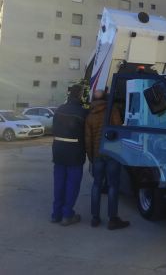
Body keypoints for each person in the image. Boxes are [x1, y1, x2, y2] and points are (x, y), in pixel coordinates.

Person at [85, 90, 130, 230]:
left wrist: (91, 156)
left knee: (97, 185)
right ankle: (112, 219)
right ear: (107, 97)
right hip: (112, 153)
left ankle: (95, 218)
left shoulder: (90, 115)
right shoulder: (113, 111)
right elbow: (119, 131)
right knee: (113, 185)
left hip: (98, 154)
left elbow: (88, 139)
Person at [51, 84, 88, 226]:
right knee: (72, 185)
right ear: (80, 95)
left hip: (58, 152)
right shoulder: (83, 112)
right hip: (75, 154)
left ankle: (56, 214)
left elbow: (54, 129)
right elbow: (87, 135)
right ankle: (67, 215)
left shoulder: (60, 109)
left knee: (59, 183)